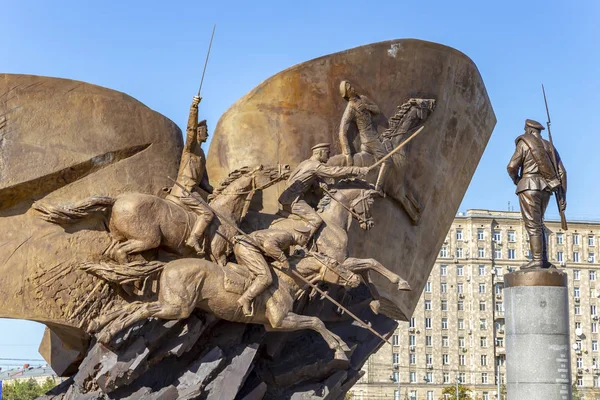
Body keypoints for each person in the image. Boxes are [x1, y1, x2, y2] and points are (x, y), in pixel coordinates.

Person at [507, 119, 567, 269]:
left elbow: (511, 166)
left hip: (528, 187)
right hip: (546, 189)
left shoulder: (524, 143)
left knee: (533, 225)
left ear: (528, 130)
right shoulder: (549, 146)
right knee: (539, 224)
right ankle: (543, 260)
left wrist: (517, 180)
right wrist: (563, 196)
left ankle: (537, 260)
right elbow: (562, 172)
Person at [278, 143, 369, 240]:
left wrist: (321, 186)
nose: (328, 156)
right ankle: (302, 243)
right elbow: (333, 171)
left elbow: (313, 181)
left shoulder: (305, 163)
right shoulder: (315, 166)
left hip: (290, 198)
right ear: (320, 153)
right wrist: (356, 170)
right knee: (316, 220)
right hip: (293, 200)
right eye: (327, 153)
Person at [170, 95, 215, 255]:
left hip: (193, 191)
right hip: (184, 191)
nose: (207, 135)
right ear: (199, 132)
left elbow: (204, 183)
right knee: (208, 213)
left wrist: (216, 191)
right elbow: (190, 129)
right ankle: (193, 239)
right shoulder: (191, 148)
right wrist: (194, 108)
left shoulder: (201, 154)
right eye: (205, 132)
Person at [233, 226, 312, 316]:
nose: (306, 242)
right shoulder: (286, 236)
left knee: (252, 276)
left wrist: (295, 257)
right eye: (306, 238)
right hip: (247, 247)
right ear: (301, 236)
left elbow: (286, 259)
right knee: (265, 277)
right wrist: (283, 259)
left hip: (241, 246)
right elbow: (268, 245)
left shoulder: (287, 243)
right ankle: (245, 299)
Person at [338, 80, 390, 193]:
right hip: (368, 140)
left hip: (376, 136)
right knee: (387, 161)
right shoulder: (350, 108)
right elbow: (342, 131)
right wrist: (347, 153)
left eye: (351, 85)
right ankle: (378, 189)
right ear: (346, 93)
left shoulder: (363, 98)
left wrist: (366, 107)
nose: (352, 88)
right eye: (349, 88)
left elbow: (377, 110)